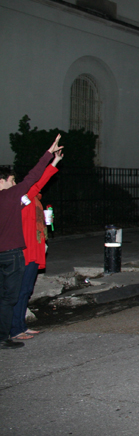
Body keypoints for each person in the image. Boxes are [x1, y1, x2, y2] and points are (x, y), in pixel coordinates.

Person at [0, 134, 62, 349]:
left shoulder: (30, 199)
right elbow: (36, 182)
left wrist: (53, 162)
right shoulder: (19, 198)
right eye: (12, 181)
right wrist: (51, 162)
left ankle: (19, 326)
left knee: (24, 291)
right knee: (15, 293)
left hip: (31, 250)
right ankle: (14, 329)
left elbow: (37, 185)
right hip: (21, 252)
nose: (15, 184)